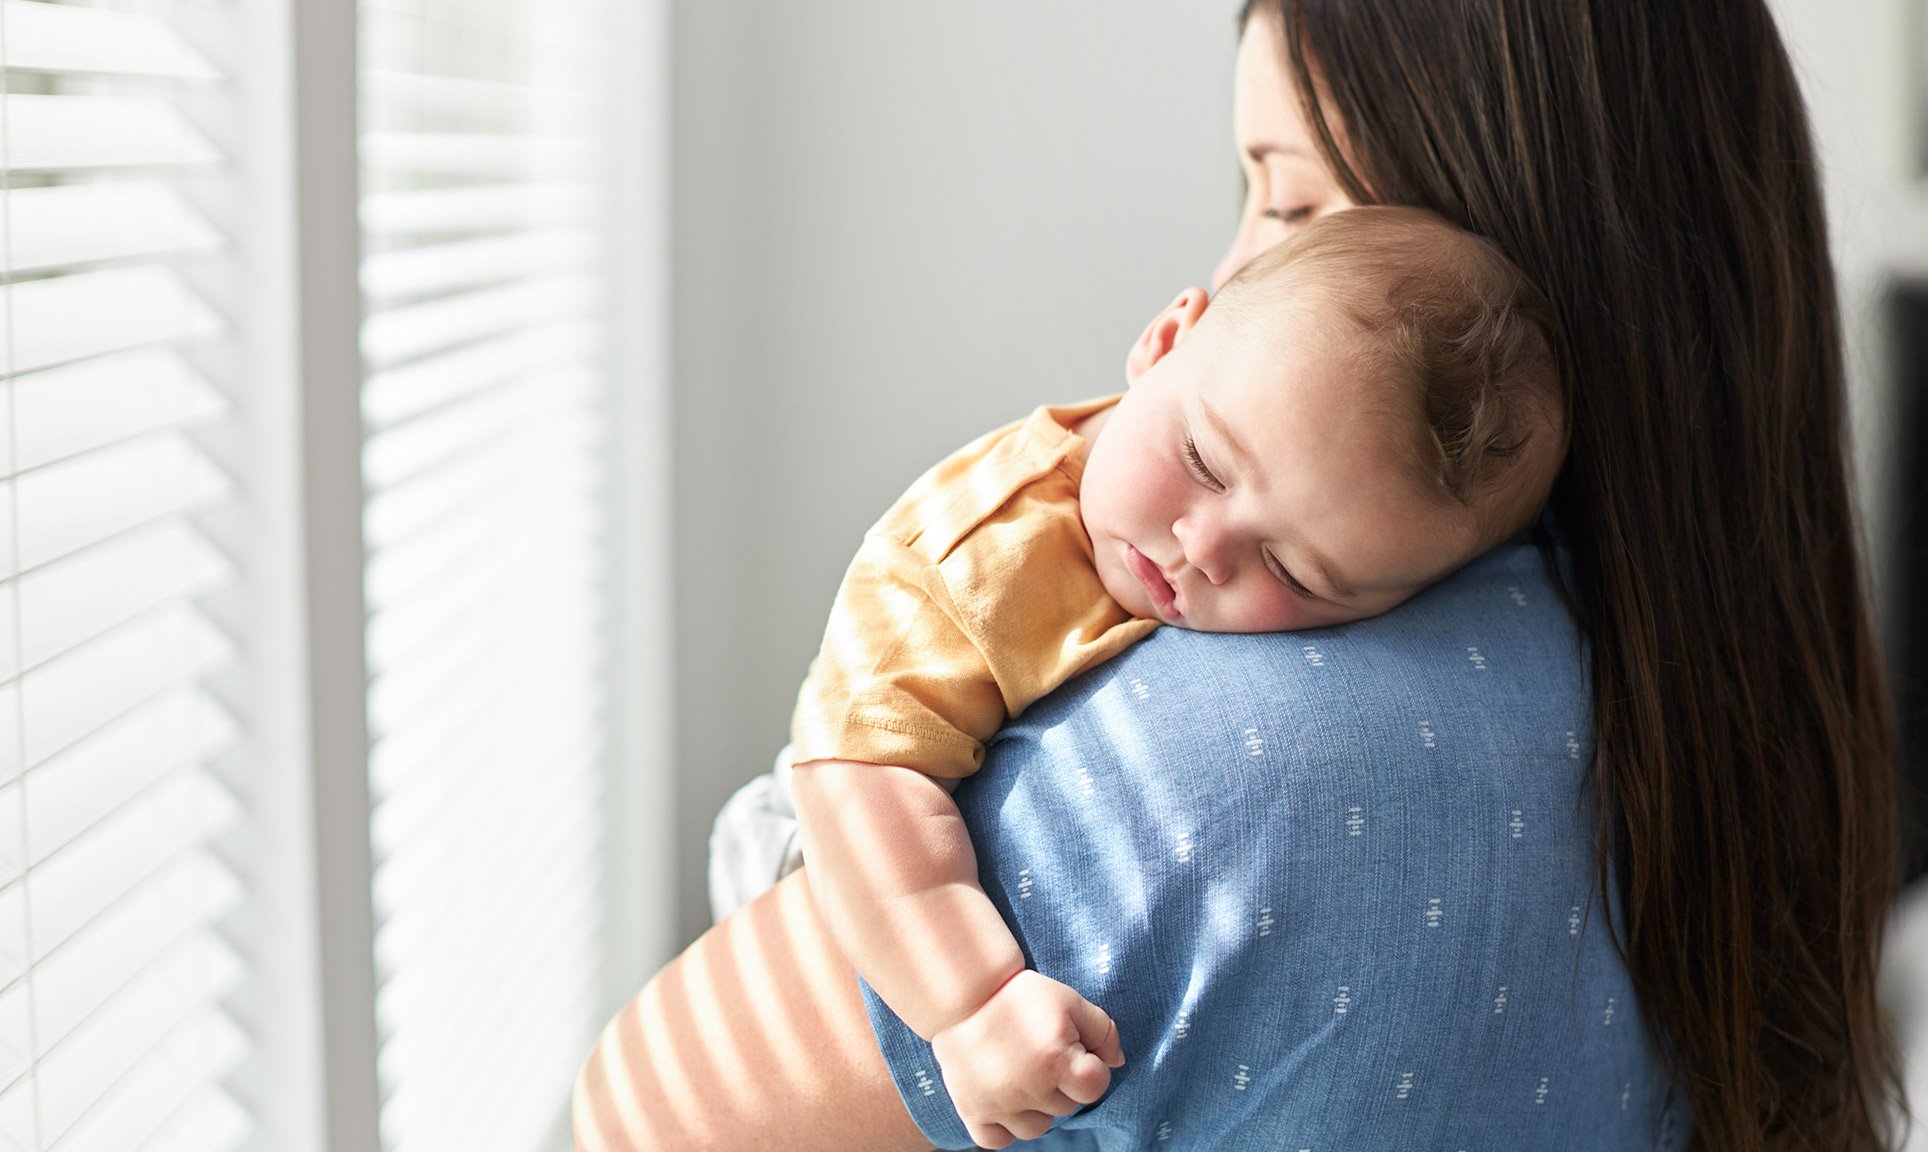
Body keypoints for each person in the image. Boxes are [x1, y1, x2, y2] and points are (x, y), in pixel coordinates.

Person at [572, 2, 1905, 1149]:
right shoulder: (1745, 740)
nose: (1231, 265)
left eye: (1293, 202)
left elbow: (644, 1113)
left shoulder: (1220, 781)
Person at [752, 206, 1563, 1147]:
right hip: (824, 848)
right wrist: (972, 1005)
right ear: (1165, 340)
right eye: (1204, 463)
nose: (1205, 548)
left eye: (1296, 573)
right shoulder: (971, 563)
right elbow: (856, 776)